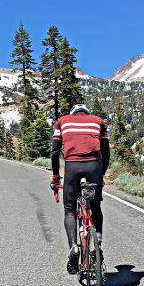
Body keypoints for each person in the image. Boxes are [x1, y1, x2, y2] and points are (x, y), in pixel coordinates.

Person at [50, 103, 110, 274]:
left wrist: (56, 176)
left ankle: (74, 247)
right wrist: (101, 175)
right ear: (87, 113)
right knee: (96, 206)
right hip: (94, 166)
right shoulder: (98, 121)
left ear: (73, 113)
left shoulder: (62, 122)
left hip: (73, 167)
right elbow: (106, 152)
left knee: (69, 209)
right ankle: (97, 243)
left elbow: (55, 152)